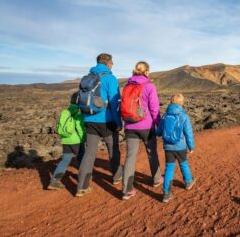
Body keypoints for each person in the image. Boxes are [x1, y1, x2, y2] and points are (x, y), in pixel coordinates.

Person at [76, 53, 123, 197]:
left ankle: (81, 187)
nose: (112, 65)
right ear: (108, 63)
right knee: (113, 148)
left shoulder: (87, 78)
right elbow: (115, 102)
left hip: (89, 119)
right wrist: (118, 121)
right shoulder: (110, 78)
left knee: (89, 152)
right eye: (112, 62)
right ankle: (116, 177)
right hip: (107, 121)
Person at [120, 61, 163, 200]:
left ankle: (127, 189)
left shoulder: (127, 85)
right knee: (152, 153)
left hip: (130, 126)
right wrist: (159, 126)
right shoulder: (149, 86)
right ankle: (156, 179)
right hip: (146, 126)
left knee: (130, 157)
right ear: (147, 71)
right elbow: (154, 109)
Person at [156, 93, 196, 203]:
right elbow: (188, 133)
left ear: (171, 101)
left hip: (168, 147)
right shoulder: (184, 116)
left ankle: (166, 193)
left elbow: (159, 132)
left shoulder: (165, 116)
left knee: (169, 168)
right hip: (181, 147)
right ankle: (188, 182)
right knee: (183, 164)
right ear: (181, 102)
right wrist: (191, 146)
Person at [48, 92, 85, 190]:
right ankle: (82, 180)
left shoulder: (65, 111)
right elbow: (79, 128)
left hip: (66, 140)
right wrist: (84, 138)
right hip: (77, 141)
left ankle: (54, 181)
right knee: (82, 159)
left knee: (65, 160)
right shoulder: (78, 112)